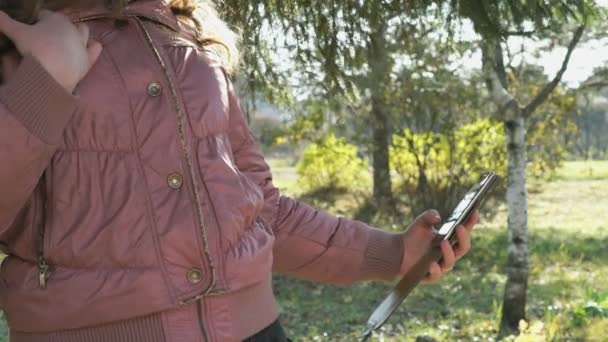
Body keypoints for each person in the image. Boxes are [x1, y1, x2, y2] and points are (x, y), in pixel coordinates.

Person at [0, 1, 479, 341]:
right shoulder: (15, 35)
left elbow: (258, 208)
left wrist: (393, 253)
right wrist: (45, 79)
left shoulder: (186, 38)